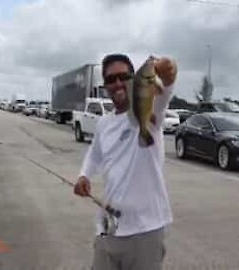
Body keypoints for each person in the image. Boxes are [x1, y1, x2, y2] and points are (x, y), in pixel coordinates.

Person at [74, 54, 177, 270]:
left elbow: (168, 78)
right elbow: (94, 153)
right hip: (108, 229)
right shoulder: (104, 123)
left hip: (145, 231)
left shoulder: (150, 110)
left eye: (124, 76)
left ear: (134, 79)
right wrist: (83, 175)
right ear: (105, 86)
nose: (118, 83)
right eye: (111, 79)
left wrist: (165, 68)